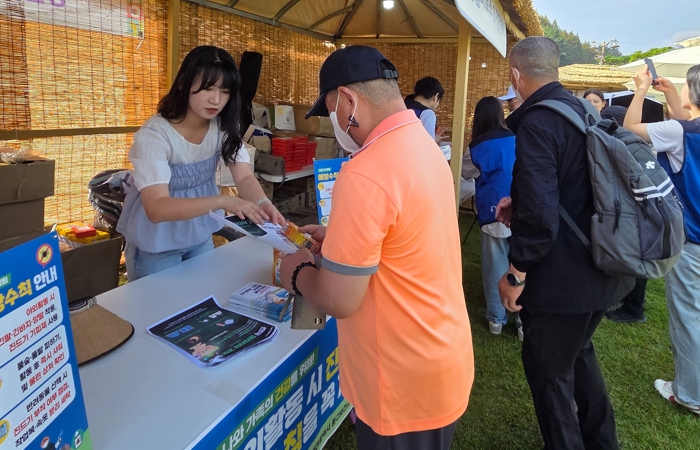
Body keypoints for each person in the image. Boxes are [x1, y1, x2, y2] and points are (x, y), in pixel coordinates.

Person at [279, 46, 474, 449]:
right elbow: (406, 233)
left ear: (348, 102)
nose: (335, 124)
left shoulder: (365, 172)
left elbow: (338, 298)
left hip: (400, 385)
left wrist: (296, 272)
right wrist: (340, 236)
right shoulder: (424, 146)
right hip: (438, 357)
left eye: (331, 112)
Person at [495, 37, 634, 449]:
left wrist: (515, 274)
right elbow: (573, 181)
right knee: (578, 355)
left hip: (564, 280)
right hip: (603, 262)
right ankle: (602, 442)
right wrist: (519, 199)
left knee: (550, 373)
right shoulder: (580, 108)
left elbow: (540, 218)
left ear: (515, 76)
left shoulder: (538, 121)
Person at [117, 46, 283, 280]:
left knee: (202, 296)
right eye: (208, 88)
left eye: (225, 91)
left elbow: (244, 176)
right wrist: (223, 201)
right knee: (163, 303)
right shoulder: (155, 135)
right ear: (183, 83)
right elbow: (157, 208)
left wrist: (263, 202)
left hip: (199, 236)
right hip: (156, 246)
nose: (216, 99)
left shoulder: (222, 126)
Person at [623, 64, 700, 415]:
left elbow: (630, 129)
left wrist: (641, 90)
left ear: (693, 93)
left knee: (688, 315)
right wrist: (669, 93)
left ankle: (690, 394)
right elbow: (686, 121)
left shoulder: (679, 131)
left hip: (692, 237)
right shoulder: (684, 128)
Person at [463, 96, 519, 338]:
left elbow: (466, 171)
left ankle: (496, 319)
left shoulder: (475, 147)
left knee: (495, 267)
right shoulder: (518, 139)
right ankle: (523, 321)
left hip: (492, 213)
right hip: (523, 210)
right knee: (523, 266)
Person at [596, 105, 650, 324]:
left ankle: (634, 308)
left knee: (635, 259)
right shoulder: (636, 144)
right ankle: (626, 301)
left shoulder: (625, 146)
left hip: (634, 214)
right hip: (635, 213)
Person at [404, 76, 444, 140]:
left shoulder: (403, 106)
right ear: (436, 96)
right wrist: (435, 139)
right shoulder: (428, 114)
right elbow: (428, 142)